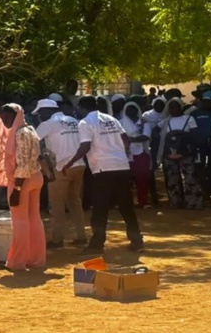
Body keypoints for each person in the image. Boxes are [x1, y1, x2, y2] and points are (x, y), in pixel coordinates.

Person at [62, 100, 143, 255]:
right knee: (126, 206)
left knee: (100, 208)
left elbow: (85, 146)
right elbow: (126, 140)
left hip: (102, 168)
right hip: (121, 166)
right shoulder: (111, 119)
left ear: (81, 107)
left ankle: (97, 244)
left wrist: (70, 162)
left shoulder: (85, 122)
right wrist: (119, 153)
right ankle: (137, 241)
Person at [0, 103, 46, 271]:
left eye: (8, 117)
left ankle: (17, 262)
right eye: (2, 118)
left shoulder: (19, 134)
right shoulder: (30, 129)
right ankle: (36, 260)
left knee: (19, 221)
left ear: (16, 116)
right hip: (36, 177)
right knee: (34, 219)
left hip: (22, 180)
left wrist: (17, 189)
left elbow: (23, 163)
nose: (5, 121)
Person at [34, 98, 87, 248]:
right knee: (74, 201)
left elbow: (32, 140)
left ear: (46, 111)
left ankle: (57, 239)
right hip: (79, 165)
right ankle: (81, 236)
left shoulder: (48, 124)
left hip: (61, 168)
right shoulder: (73, 120)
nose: (39, 116)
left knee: (56, 204)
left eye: (40, 112)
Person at [158, 98, 203, 210]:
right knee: (172, 179)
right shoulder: (165, 121)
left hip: (186, 152)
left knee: (190, 178)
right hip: (169, 153)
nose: (174, 109)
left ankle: (193, 202)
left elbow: (194, 134)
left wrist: (179, 133)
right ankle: (175, 202)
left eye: (176, 106)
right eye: (171, 107)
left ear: (180, 107)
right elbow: (155, 131)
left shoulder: (189, 119)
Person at [121, 102, 152, 207]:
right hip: (125, 154)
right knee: (125, 180)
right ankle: (126, 203)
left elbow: (146, 136)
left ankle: (143, 201)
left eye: (133, 109)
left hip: (141, 153)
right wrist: (134, 139)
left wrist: (129, 139)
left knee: (142, 179)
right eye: (128, 109)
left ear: (137, 109)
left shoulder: (144, 122)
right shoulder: (120, 123)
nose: (131, 111)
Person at [190, 91, 211, 203]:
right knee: (199, 168)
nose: (206, 103)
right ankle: (200, 191)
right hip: (198, 146)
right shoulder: (195, 113)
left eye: (209, 101)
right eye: (204, 101)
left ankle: (209, 191)